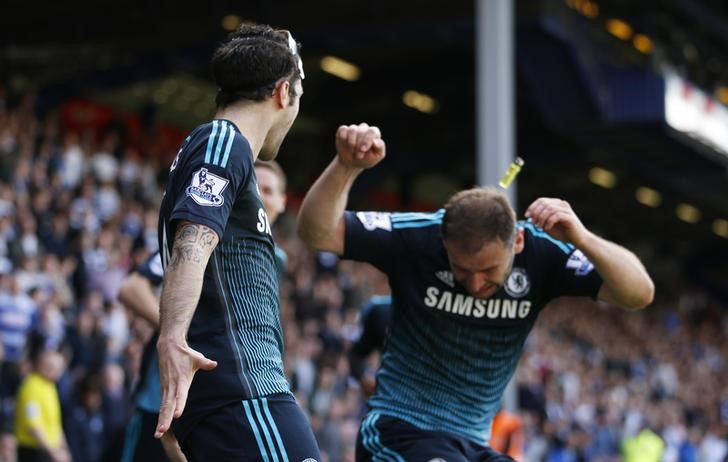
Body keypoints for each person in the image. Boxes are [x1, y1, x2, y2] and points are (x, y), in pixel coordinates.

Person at [296, 123, 655, 461]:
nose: (475, 283)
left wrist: (581, 236)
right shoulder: (418, 237)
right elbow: (318, 233)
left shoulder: (542, 254)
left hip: (473, 444)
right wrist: (345, 166)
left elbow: (638, 293)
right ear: (443, 241)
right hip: (400, 431)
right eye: (462, 269)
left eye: (488, 271)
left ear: (517, 241)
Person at [155, 24, 321, 461]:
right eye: (298, 99)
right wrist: (171, 338)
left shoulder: (217, 150)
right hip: (245, 391)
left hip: (233, 396)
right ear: (283, 94)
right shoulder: (222, 141)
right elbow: (194, 239)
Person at [118, 251, 186, 462]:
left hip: (207, 408)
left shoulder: (272, 257)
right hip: (157, 406)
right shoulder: (185, 236)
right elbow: (131, 289)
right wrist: (180, 335)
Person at [14, 349, 70, 462]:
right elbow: (33, 426)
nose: (58, 371)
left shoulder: (50, 386)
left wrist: (64, 449)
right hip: (35, 451)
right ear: (42, 365)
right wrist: (53, 452)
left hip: (49, 450)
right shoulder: (31, 387)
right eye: (54, 367)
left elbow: (55, 423)